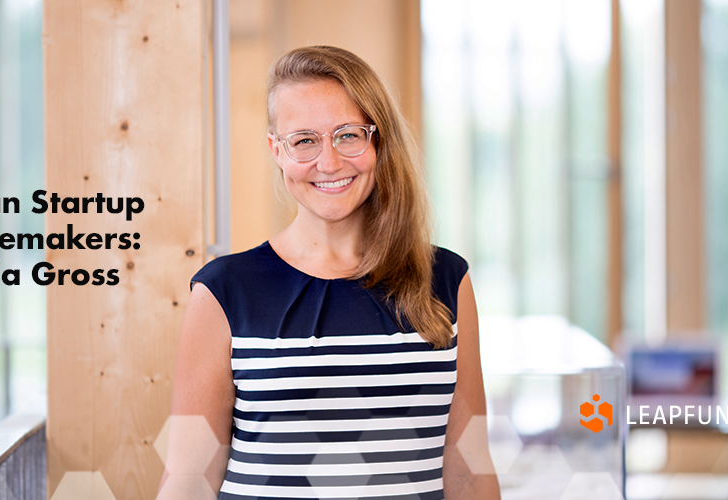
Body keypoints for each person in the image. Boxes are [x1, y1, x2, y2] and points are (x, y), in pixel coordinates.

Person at [158, 45, 500, 500]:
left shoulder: (446, 280)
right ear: (276, 151)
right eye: (304, 141)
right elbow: (188, 479)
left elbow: (469, 469)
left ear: (377, 139)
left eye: (347, 135)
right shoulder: (224, 291)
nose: (329, 162)